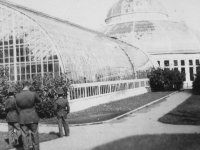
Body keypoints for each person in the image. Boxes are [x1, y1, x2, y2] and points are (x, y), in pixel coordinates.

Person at [15, 81, 41, 150]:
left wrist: (20, 113)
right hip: (33, 116)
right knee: (34, 134)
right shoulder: (33, 94)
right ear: (28, 86)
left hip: (23, 117)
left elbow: (17, 107)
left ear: (22, 86)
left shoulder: (17, 95)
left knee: (24, 135)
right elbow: (39, 101)